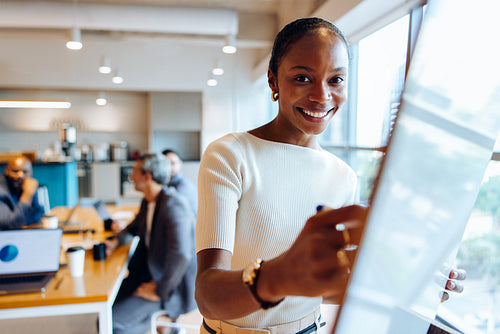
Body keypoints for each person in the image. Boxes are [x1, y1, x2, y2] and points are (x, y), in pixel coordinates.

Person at [194, 17, 465, 334]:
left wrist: (406, 284)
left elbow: (324, 285)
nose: (321, 96)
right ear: (273, 81)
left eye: (336, 80)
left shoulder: (344, 176)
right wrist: (278, 275)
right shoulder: (230, 155)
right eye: (303, 78)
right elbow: (208, 296)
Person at [104, 153, 197, 334]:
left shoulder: (174, 205)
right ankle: (163, 326)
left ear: (147, 176)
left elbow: (182, 254)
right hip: (149, 273)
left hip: (170, 286)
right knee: (107, 307)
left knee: (112, 323)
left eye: (134, 172)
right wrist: (115, 242)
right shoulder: (150, 201)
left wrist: (160, 290)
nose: (131, 176)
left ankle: (165, 325)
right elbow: (134, 226)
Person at [0, 155, 44, 229]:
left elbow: (38, 214)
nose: (20, 175)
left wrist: (22, 221)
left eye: (25, 172)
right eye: (15, 171)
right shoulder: (2, 191)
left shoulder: (24, 184)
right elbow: (12, 224)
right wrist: (27, 195)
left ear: (31, 173)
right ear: (6, 171)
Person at [162, 148, 198, 217]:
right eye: (167, 163)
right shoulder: (166, 184)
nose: (170, 167)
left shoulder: (184, 186)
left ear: (180, 163)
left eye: (173, 163)